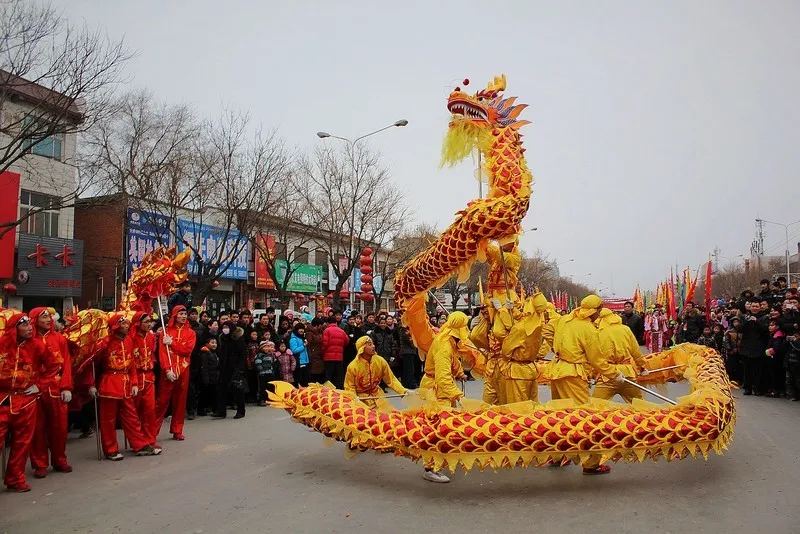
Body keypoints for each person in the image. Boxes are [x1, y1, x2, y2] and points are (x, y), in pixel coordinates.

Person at [546, 295, 623, 475]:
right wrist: (614, 374)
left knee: (560, 416)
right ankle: (590, 463)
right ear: (595, 310)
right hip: (572, 374)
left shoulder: (564, 319)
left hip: (557, 371)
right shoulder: (589, 329)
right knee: (584, 419)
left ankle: (558, 456)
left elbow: (547, 331)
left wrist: (558, 350)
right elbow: (597, 360)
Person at [93, 314, 160, 460]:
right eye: (122, 324)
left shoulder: (129, 340)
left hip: (126, 383)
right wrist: (90, 384)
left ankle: (140, 445)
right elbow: (91, 364)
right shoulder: (105, 342)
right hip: (109, 383)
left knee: (132, 417)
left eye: (126, 323)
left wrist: (134, 382)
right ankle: (110, 449)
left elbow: (132, 366)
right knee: (108, 420)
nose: (126, 326)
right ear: (115, 326)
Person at [419, 312, 470, 484]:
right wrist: (457, 394)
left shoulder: (448, 340)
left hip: (443, 390)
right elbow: (442, 377)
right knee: (436, 429)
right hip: (436, 390)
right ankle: (430, 468)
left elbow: (452, 362)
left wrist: (460, 373)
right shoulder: (444, 344)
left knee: (447, 427)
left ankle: (442, 460)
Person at [0, 313, 45, 491]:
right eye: (24, 325)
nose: (29, 328)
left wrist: (39, 385)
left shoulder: (37, 346)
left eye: (29, 325)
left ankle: (15, 478)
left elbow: (55, 364)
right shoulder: (2, 344)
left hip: (26, 399)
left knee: (22, 443)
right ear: (14, 328)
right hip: (3, 398)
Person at [28, 307, 73, 478]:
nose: (48, 319)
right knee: (37, 429)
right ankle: (40, 463)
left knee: (60, 428)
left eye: (49, 316)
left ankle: (59, 459)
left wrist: (67, 387)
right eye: (44, 316)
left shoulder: (60, 339)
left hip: (56, 387)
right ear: (34, 320)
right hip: (35, 390)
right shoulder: (30, 340)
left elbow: (66, 364)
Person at [151, 305, 197, 441]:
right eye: (180, 314)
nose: (183, 316)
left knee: (180, 401)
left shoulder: (191, 333)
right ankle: (152, 431)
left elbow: (187, 350)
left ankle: (177, 429)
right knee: (161, 402)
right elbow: (162, 353)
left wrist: (172, 343)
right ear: (174, 315)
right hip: (169, 371)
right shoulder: (166, 332)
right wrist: (166, 370)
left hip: (184, 370)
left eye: (185, 314)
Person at [592, 308, 648, 403]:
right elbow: (636, 352)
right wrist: (642, 367)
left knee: (594, 408)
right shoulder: (626, 329)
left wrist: (592, 375)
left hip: (607, 375)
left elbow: (594, 357)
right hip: (627, 374)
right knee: (639, 407)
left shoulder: (597, 333)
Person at [344, 336, 406, 407]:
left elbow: (391, 380)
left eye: (373, 344)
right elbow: (349, 387)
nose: (373, 346)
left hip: (377, 395)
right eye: (370, 344)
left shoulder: (380, 361)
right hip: (360, 398)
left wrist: (403, 391)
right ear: (362, 348)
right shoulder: (353, 366)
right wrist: (354, 398)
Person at [128, 312, 158, 444]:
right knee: (135, 411)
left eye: (149, 321)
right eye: (145, 321)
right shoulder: (131, 338)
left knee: (150, 410)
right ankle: (138, 441)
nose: (149, 324)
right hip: (136, 377)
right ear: (138, 323)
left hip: (149, 377)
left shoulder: (151, 337)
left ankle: (150, 439)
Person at [217, 320, 247, 419]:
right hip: (224, 367)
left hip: (235, 367)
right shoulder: (222, 338)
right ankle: (221, 411)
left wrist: (240, 368)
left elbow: (243, 355)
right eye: (224, 327)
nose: (225, 329)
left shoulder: (238, 339)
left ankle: (241, 411)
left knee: (237, 389)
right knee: (221, 389)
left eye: (227, 327)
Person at [740, 299, 769, 396]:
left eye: (757, 306)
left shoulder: (764, 317)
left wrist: (756, 322)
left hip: (759, 346)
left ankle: (757, 388)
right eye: (753, 306)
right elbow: (740, 329)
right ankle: (747, 388)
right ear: (750, 307)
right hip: (746, 346)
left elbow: (765, 331)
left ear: (760, 307)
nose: (755, 308)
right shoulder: (745, 317)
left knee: (758, 370)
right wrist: (747, 321)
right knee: (747, 369)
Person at [321, 316, 349, 389]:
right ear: (336, 322)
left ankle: (328, 391)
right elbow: (347, 341)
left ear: (328, 323)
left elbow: (325, 344)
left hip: (328, 357)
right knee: (338, 376)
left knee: (328, 376)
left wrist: (322, 352)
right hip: (339, 357)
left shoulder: (326, 331)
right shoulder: (341, 331)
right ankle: (339, 390)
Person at [198, 337, 220, 416]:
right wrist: (205, 379)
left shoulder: (213, 352)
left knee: (213, 394)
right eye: (212, 343)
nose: (214, 344)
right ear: (207, 344)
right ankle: (201, 409)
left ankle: (212, 408)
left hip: (214, 377)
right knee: (204, 394)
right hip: (208, 377)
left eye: (215, 343)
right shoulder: (205, 354)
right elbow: (204, 367)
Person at [398, 324, 419, 389]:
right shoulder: (404, 329)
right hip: (407, 351)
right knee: (409, 369)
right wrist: (415, 344)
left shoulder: (407, 328)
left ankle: (408, 383)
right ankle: (409, 383)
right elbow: (408, 340)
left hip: (409, 351)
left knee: (409, 368)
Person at [305, 317, 326, 383]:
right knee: (314, 374)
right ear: (317, 325)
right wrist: (310, 356)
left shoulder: (320, 332)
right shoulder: (309, 333)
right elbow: (308, 345)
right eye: (320, 325)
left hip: (320, 355)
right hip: (313, 356)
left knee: (320, 374)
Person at [722, 317, 742, 385]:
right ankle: (730, 379)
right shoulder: (730, 331)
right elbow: (726, 341)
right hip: (731, 351)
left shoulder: (742, 331)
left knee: (739, 366)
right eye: (734, 322)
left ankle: (739, 379)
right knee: (731, 365)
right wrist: (729, 349)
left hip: (740, 351)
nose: (736, 323)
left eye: (737, 322)